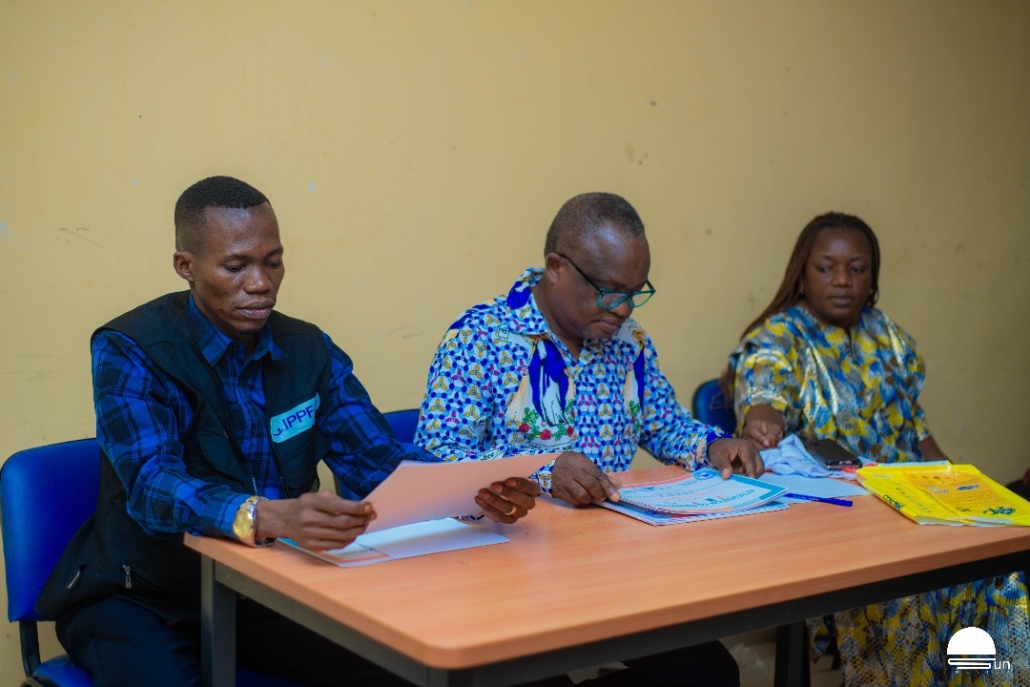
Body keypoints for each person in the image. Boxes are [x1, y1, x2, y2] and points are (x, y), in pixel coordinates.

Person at [35, 176, 541, 687]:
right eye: (236, 266)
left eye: (273, 262)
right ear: (185, 266)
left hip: (265, 588)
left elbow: (378, 460)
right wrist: (270, 516)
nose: (260, 283)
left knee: (410, 667)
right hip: (141, 597)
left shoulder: (308, 349)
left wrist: (475, 493)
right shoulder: (132, 348)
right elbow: (152, 484)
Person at [416, 192, 762, 687]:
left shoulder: (629, 342)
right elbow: (437, 461)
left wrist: (712, 446)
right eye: (609, 291)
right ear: (556, 267)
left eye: (635, 292)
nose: (623, 309)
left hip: (613, 569)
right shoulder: (481, 338)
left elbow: (663, 423)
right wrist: (543, 470)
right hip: (505, 576)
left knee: (709, 675)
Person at [725, 211, 1030, 686]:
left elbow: (919, 434)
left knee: (1000, 573)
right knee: (918, 595)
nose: (842, 280)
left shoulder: (885, 334)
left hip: (916, 507)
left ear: (873, 276)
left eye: (857, 268)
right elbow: (764, 393)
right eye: (826, 268)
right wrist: (761, 421)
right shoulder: (779, 337)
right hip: (845, 526)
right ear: (802, 273)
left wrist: (968, 495)